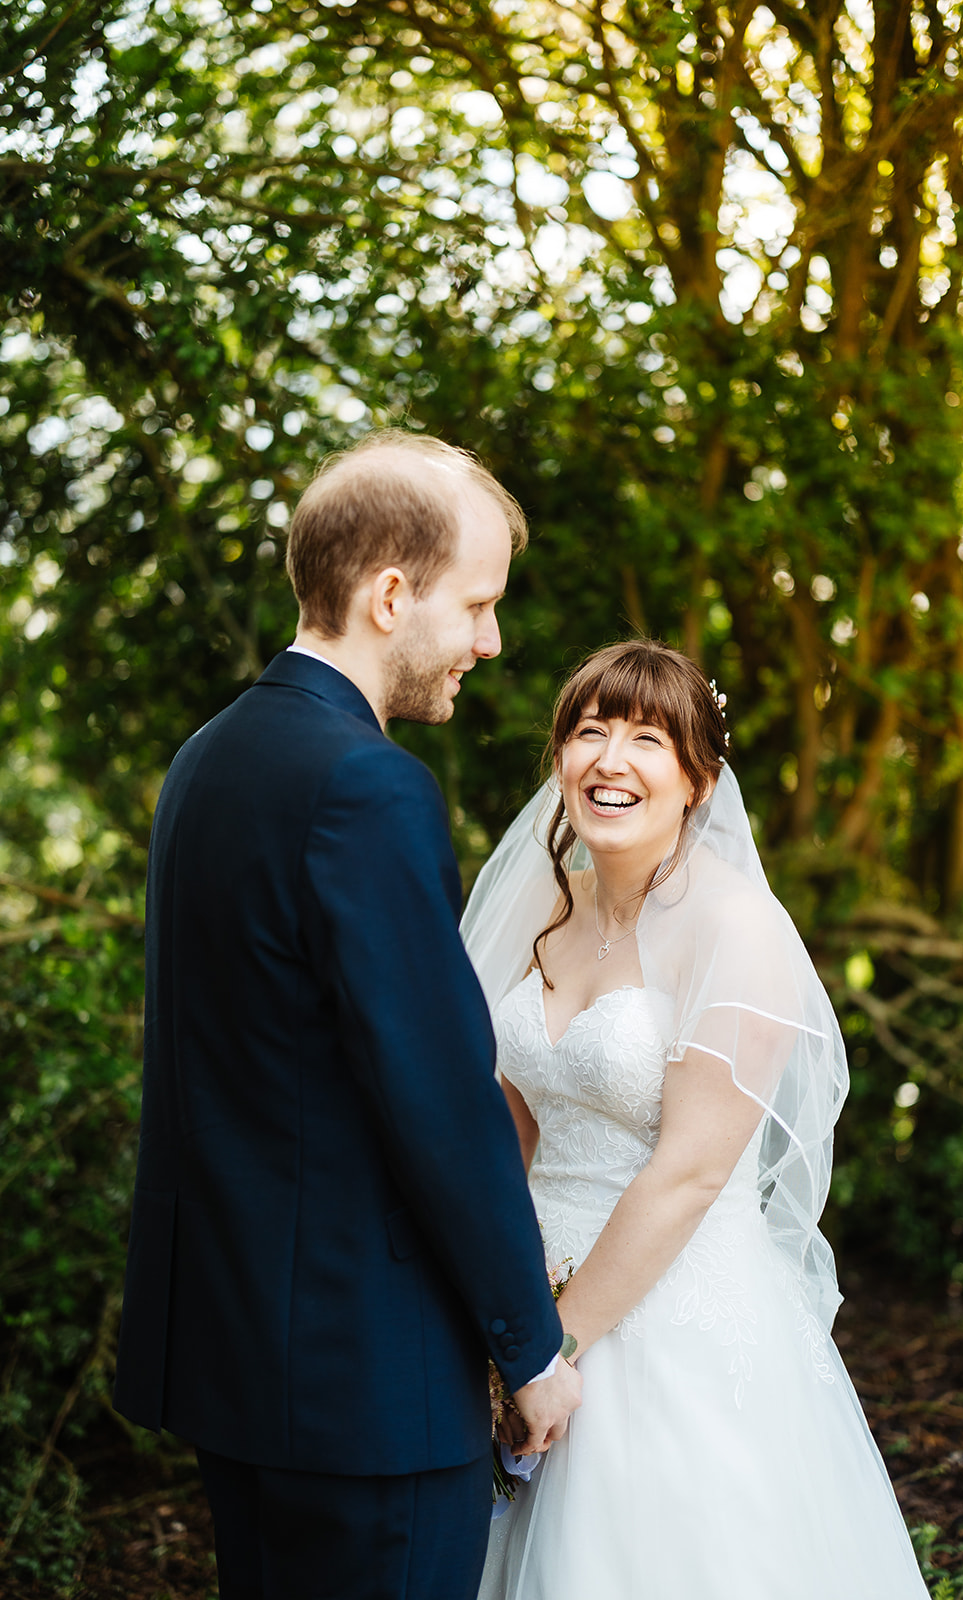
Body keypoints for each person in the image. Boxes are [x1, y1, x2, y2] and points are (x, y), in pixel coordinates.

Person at [112, 430, 581, 1600]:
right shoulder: (363, 785)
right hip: (362, 1379)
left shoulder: (206, 761)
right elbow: (434, 1097)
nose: (491, 638)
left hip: (234, 1355)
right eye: (475, 604)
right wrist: (529, 1347)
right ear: (388, 595)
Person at [462, 638, 930, 1600]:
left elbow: (688, 1174)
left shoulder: (738, 929)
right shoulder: (543, 910)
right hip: (526, 1292)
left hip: (667, 1313)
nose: (609, 760)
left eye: (646, 738)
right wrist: (497, 1319)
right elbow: (500, 1132)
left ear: (697, 778)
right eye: (588, 732)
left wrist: (556, 1347)